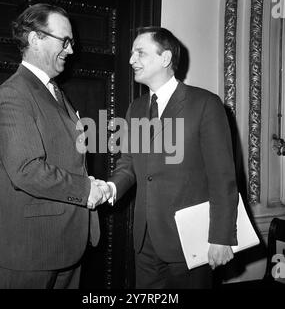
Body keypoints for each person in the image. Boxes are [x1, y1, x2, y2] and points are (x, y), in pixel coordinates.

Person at [92, 27, 239, 289]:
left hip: (192, 241)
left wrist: (221, 236)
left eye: (140, 52)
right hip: (145, 241)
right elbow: (129, 164)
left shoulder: (205, 104)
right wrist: (109, 188)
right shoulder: (135, 108)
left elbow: (222, 177)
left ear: (165, 58)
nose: (130, 60)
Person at [0, 3, 105, 289]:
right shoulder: (13, 94)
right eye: (64, 41)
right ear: (34, 38)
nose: (71, 50)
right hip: (29, 251)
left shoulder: (55, 92)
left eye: (72, 42)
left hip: (66, 245)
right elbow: (27, 170)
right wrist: (86, 189)